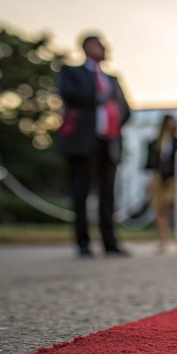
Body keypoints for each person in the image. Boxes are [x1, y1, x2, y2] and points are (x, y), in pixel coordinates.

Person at [55, 34, 131, 258]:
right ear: (88, 47)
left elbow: (125, 109)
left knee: (108, 194)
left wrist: (115, 125)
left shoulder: (113, 79)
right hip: (82, 142)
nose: (106, 49)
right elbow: (69, 95)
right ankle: (83, 242)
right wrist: (99, 98)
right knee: (81, 192)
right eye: (101, 45)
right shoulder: (72, 72)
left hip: (108, 142)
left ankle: (110, 242)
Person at [147, 114, 177, 254]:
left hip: (175, 179)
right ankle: (164, 238)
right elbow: (149, 163)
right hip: (159, 178)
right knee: (159, 208)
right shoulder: (154, 143)